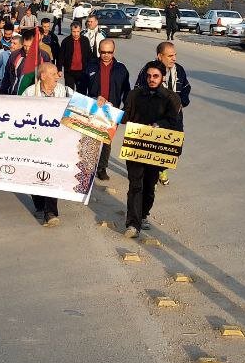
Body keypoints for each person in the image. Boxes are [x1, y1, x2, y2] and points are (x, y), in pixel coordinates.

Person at [121, 61, 183, 239]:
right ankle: (133, 224)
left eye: (155, 76)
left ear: (162, 77)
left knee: (149, 187)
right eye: (148, 76)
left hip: (156, 149)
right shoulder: (134, 95)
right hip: (135, 147)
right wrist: (105, 109)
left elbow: (175, 123)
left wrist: (159, 125)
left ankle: (143, 214)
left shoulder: (172, 98)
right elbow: (125, 115)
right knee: (135, 185)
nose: (151, 79)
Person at [22, 63, 69, 227]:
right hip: (35, 141)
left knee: (51, 173)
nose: (58, 76)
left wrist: (99, 103)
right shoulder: (29, 92)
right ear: (43, 76)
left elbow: (80, 106)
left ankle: (51, 212)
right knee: (35, 173)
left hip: (55, 142)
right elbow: (20, 115)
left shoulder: (64, 91)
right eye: (54, 74)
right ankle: (39, 205)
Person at [79, 38, 130, 181]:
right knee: (91, 138)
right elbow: (82, 88)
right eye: (103, 52)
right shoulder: (90, 66)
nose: (106, 55)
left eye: (109, 52)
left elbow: (127, 91)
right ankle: (87, 167)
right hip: (93, 108)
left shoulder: (121, 69)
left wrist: (126, 109)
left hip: (111, 112)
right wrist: (89, 102)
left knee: (106, 141)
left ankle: (102, 168)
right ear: (99, 51)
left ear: (114, 51)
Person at [146, 41, 191, 186]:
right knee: (154, 147)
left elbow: (186, 88)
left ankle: (162, 168)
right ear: (160, 56)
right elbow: (140, 91)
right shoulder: (149, 71)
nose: (174, 58)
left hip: (175, 117)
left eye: (175, 55)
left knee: (175, 148)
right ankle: (152, 175)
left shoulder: (180, 70)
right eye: (170, 55)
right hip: (156, 116)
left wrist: (181, 102)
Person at [58, 20, 94, 92]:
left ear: (80, 30)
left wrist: (91, 67)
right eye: (74, 32)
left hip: (82, 72)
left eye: (78, 31)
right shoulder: (66, 41)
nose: (76, 34)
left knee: (81, 93)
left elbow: (89, 55)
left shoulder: (85, 40)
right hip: (69, 72)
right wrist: (59, 69)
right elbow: (61, 56)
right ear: (71, 31)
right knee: (69, 92)